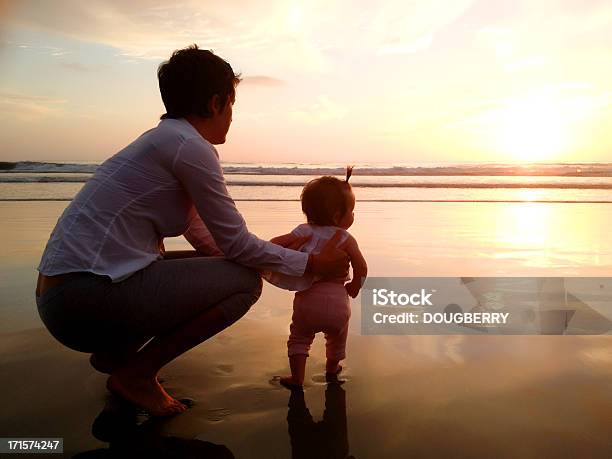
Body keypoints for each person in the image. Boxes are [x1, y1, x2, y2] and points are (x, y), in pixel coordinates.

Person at [34, 44, 350, 417]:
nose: (232, 116)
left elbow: (209, 241)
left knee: (231, 268)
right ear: (216, 103)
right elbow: (234, 246)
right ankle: (137, 373)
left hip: (67, 295)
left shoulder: (165, 141)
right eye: (232, 105)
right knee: (244, 283)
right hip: (81, 299)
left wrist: (278, 252)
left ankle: (117, 354)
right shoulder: (190, 148)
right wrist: (311, 262)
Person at [263, 167, 368, 387]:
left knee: (299, 339)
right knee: (337, 338)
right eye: (351, 211)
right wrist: (355, 286)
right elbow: (361, 267)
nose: (353, 216)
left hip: (308, 301)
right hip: (339, 302)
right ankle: (332, 369)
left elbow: (271, 246)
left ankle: (297, 378)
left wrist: (294, 247)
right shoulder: (345, 238)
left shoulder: (303, 231)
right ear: (337, 216)